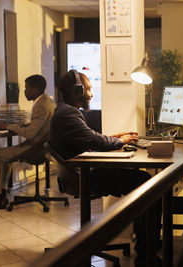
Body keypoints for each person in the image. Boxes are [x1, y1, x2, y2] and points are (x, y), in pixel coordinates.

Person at [50, 70, 155, 266]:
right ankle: (146, 254)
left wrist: (117, 136)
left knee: (139, 179)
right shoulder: (68, 113)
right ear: (77, 90)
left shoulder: (65, 111)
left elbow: (89, 137)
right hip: (85, 178)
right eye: (88, 89)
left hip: (80, 174)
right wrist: (117, 140)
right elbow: (94, 140)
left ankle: (145, 246)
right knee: (146, 183)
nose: (91, 94)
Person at [0, 74, 55, 206]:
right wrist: (18, 126)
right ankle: (2, 194)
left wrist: (8, 126)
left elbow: (30, 133)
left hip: (34, 149)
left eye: (26, 88)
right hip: (43, 146)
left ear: (35, 90)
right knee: (3, 158)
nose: (24, 91)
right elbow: (36, 126)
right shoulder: (47, 101)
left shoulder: (41, 105)